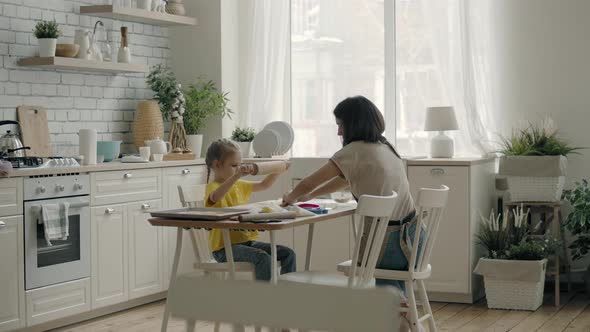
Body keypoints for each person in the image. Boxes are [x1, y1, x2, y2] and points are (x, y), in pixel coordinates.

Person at [281, 96, 423, 331]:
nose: (338, 131)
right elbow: (345, 179)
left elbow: (307, 182)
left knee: (352, 274)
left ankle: (397, 310)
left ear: (353, 124)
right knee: (386, 290)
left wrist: (291, 198)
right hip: (413, 241)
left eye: (340, 124)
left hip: (387, 246)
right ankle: (400, 310)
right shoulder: (385, 147)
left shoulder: (353, 150)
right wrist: (311, 196)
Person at [205, 138, 296, 281]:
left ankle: (285, 296)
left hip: (246, 242)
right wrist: (236, 176)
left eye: (239, 165)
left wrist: (279, 168)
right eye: (234, 165)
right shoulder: (213, 187)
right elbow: (215, 197)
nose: (238, 169)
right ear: (217, 164)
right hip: (223, 249)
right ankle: (262, 299)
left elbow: (264, 185)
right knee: (262, 258)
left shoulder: (238, 184)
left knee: (288, 254)